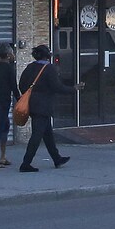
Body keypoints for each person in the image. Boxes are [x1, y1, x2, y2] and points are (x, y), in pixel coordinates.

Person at [15, 44, 70, 173]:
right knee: (37, 135)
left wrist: (31, 96)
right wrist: (73, 89)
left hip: (33, 105)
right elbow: (57, 87)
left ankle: (56, 158)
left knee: (47, 133)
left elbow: (22, 85)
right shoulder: (49, 69)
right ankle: (26, 163)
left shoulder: (30, 67)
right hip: (44, 106)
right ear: (47, 55)